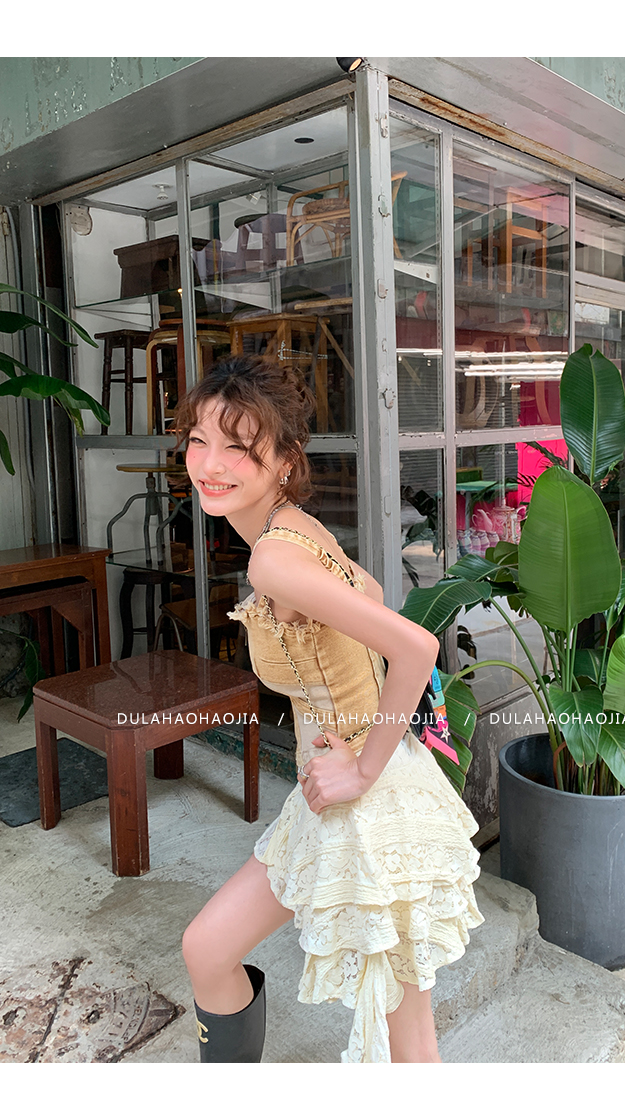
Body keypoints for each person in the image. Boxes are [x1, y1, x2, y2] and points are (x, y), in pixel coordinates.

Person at [175, 355, 483, 1064]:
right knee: (207, 948)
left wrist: (362, 766)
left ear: (284, 461)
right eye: (198, 439)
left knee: (410, 1043)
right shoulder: (296, 530)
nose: (210, 464)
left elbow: (414, 646)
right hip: (351, 790)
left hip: (368, 802)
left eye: (238, 446)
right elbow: (370, 594)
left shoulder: (273, 558)